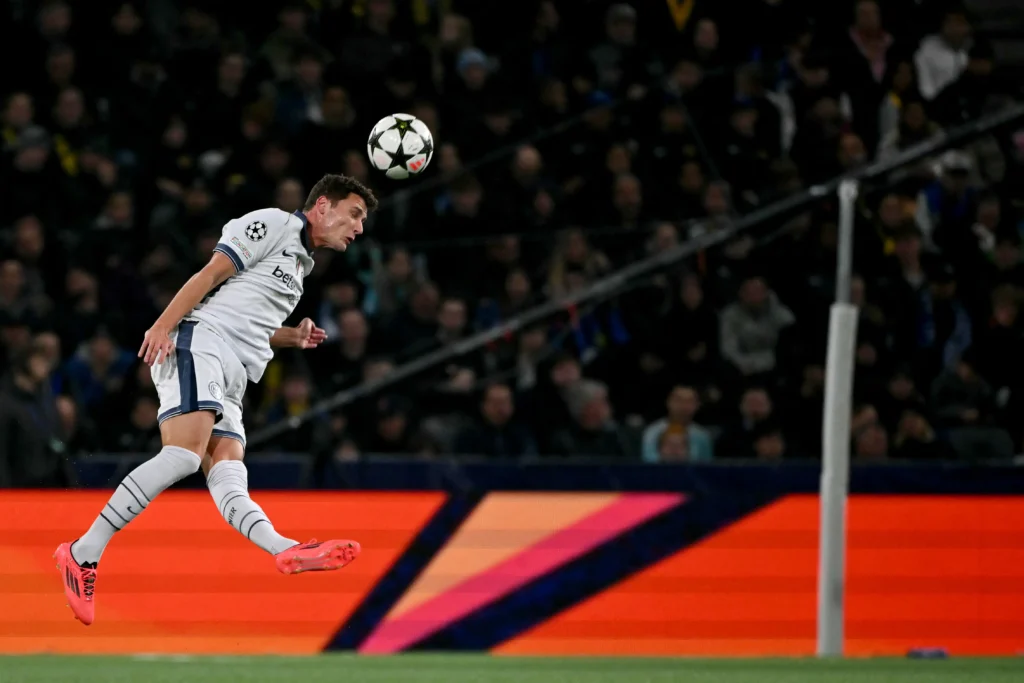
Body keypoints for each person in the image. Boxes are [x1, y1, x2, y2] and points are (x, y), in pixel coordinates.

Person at [54, 174, 378, 626]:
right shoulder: (275, 223)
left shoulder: (301, 264)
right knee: (184, 456)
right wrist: (162, 325)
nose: (359, 227)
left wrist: (290, 336)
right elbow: (210, 274)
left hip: (234, 371)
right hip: (200, 343)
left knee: (229, 471)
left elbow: (245, 321)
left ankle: (285, 548)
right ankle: (83, 552)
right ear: (323, 205)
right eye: (355, 214)